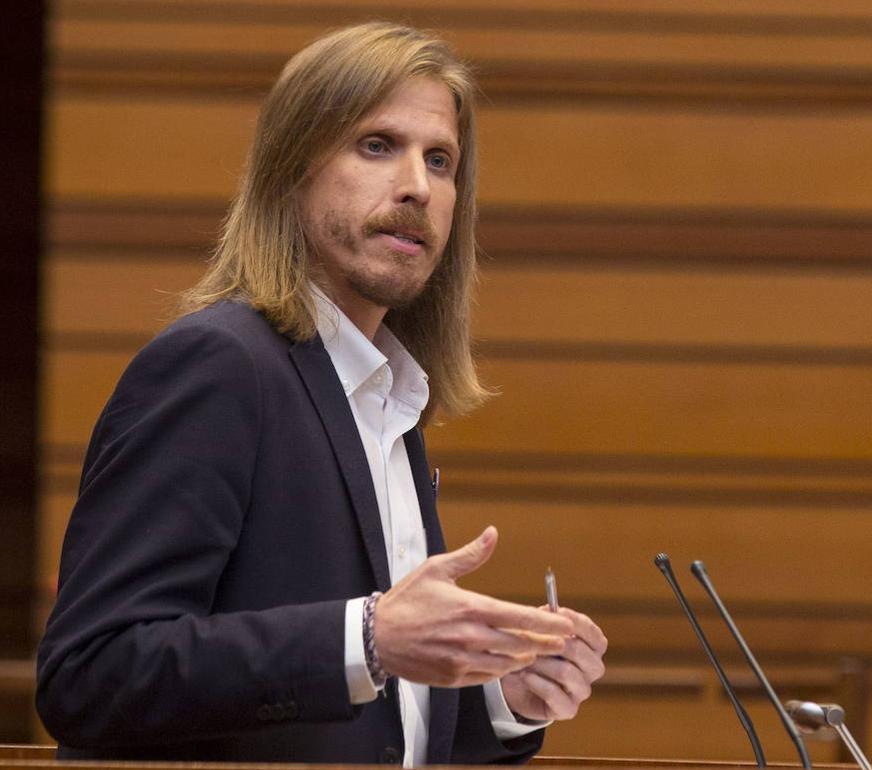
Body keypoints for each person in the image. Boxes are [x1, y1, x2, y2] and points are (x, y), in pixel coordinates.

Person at [36, 22, 607, 766]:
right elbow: (91, 675)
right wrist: (366, 637)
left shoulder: (385, 396)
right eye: (377, 146)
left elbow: (371, 730)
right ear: (292, 169)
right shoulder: (217, 366)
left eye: (441, 160)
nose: (417, 186)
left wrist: (506, 698)